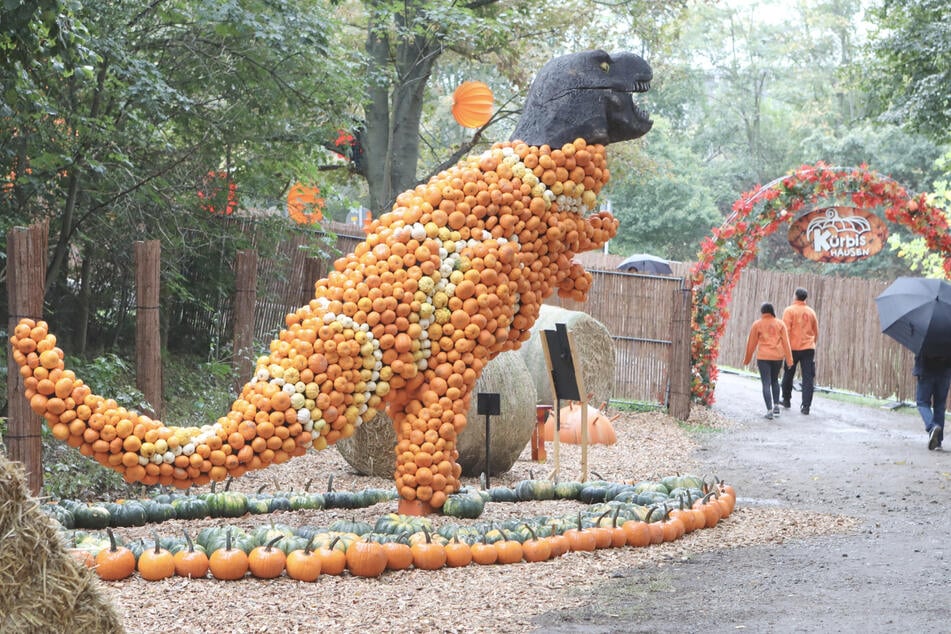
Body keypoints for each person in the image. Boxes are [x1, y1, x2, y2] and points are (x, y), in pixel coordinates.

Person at [744, 302, 794, 420]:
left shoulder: (757, 324)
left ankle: (769, 410)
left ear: (762, 312)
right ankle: (776, 406)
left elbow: (751, 343)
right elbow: (786, 343)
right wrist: (789, 360)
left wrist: (747, 359)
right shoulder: (780, 324)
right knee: (775, 381)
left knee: (766, 383)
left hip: (763, 358)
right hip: (777, 357)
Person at [780, 287, 819, 415]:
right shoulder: (811, 312)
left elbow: (786, 330)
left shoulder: (789, 311)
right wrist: (812, 343)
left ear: (795, 296)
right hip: (808, 348)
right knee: (808, 378)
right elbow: (815, 331)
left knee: (788, 373)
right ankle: (806, 407)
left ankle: (786, 399)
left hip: (792, 348)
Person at [913, 353, 951, 450]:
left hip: (926, 370)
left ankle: (932, 426)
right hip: (944, 371)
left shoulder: (924, 339)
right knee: (939, 406)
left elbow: (918, 349)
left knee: (922, 402)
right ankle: (937, 442)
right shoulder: (947, 338)